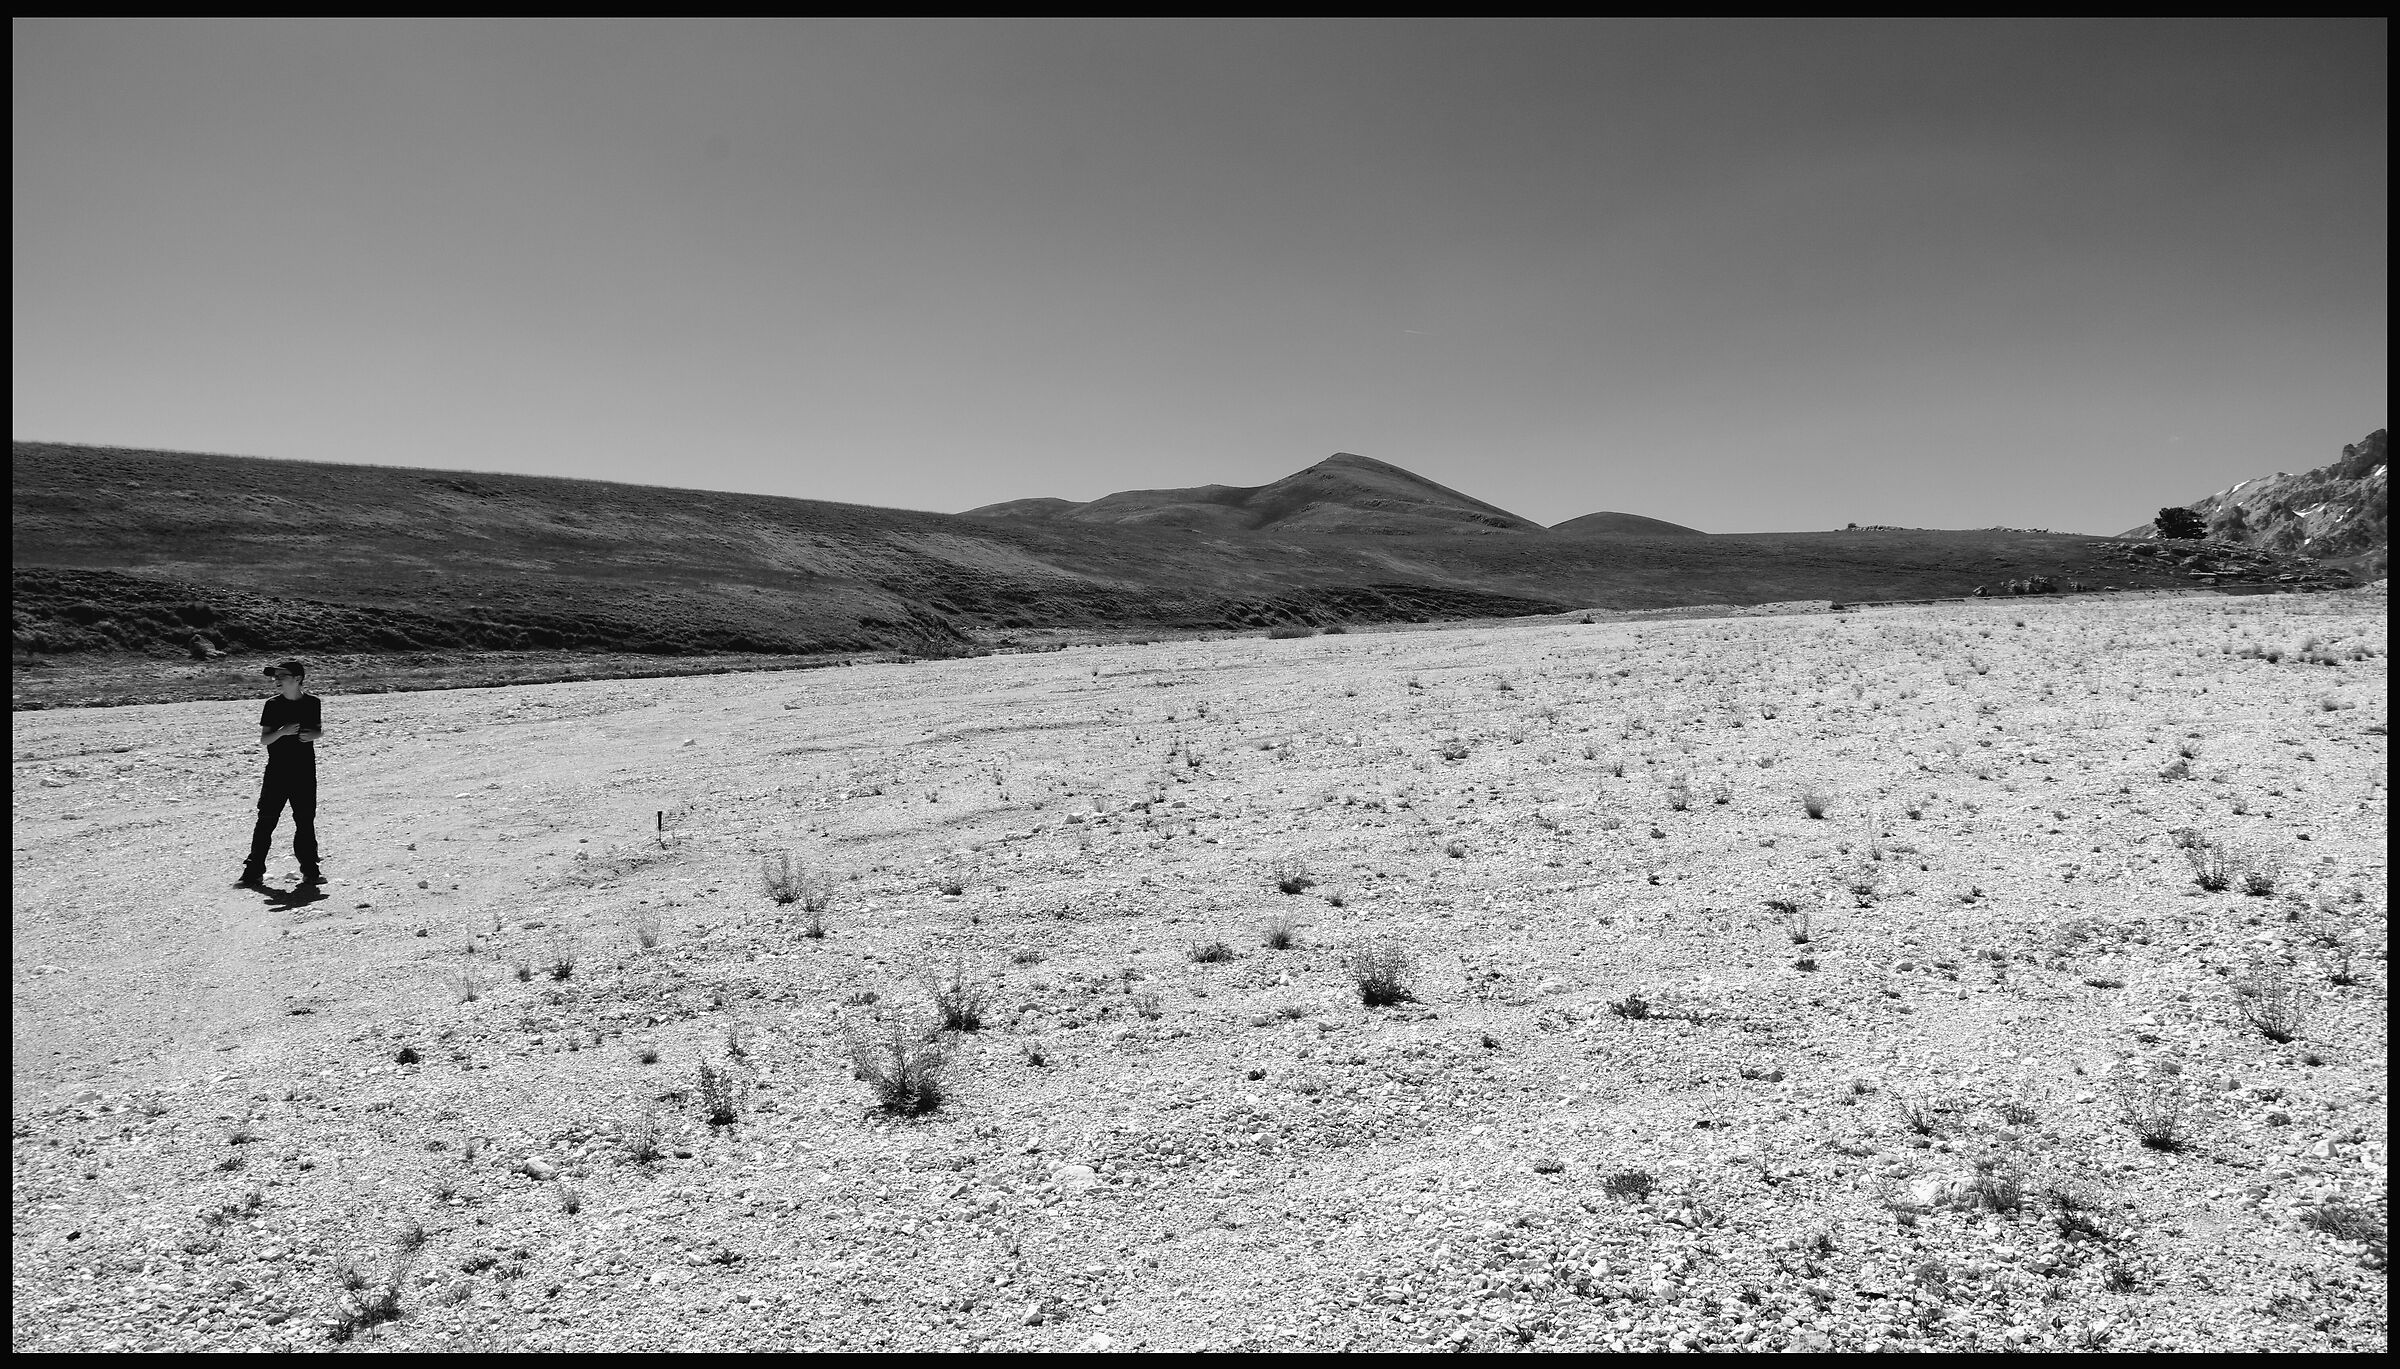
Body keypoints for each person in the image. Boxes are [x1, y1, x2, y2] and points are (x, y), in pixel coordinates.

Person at [239, 660, 324, 888]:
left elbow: (317, 730)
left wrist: (315, 735)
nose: (276, 680)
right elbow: (265, 739)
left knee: (305, 821)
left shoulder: (313, 702)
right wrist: (283, 732)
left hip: (304, 770)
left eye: (282, 676)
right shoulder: (272, 705)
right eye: (275, 677)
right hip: (277, 770)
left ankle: (311, 870)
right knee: (266, 820)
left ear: (297, 679)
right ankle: (253, 871)